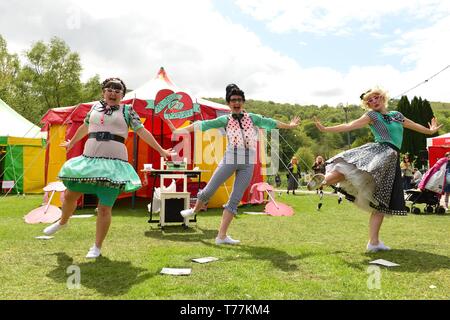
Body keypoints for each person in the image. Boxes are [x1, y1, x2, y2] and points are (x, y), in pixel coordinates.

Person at [43, 78, 173, 258]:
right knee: (70, 194)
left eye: (117, 90)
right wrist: (71, 143)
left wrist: (161, 150)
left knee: (104, 207)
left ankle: (96, 246)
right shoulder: (94, 108)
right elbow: (85, 126)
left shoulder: (128, 111)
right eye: (109, 89)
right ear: (103, 91)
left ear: (122, 95)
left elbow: (142, 131)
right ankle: (63, 222)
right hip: (90, 160)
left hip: (114, 164)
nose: (113, 93)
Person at [307, 86, 441, 252]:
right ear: (368, 106)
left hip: (391, 159)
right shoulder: (372, 115)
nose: (373, 101)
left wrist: (430, 131)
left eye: (375, 97)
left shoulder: (397, 116)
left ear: (382, 97)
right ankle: (323, 180)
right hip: (379, 151)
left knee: (380, 201)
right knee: (350, 168)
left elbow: (413, 126)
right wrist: (326, 129)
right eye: (369, 101)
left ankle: (374, 242)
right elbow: (350, 125)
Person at [168, 84, 300, 245]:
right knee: (209, 189)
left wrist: (290, 125)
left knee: (234, 199)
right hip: (230, 158)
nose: (236, 102)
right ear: (229, 103)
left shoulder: (253, 118)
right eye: (233, 100)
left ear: (243, 102)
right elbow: (202, 125)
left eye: (239, 100)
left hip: (248, 162)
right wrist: (178, 130)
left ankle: (221, 236)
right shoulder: (225, 119)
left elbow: (271, 123)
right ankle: (194, 210)